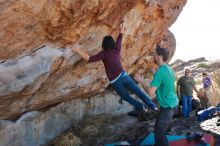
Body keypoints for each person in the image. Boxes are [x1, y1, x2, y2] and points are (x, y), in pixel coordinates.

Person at [72, 23, 157, 114]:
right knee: (137, 91)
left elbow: (90, 59)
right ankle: (153, 106)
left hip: (115, 81)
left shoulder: (103, 54)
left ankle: (141, 107)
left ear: (104, 45)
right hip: (124, 75)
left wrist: (77, 50)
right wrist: (122, 27)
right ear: (112, 43)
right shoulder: (116, 50)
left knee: (125, 96)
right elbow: (120, 38)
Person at [135, 46, 179, 146]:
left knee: (159, 134)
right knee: (158, 128)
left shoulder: (160, 72)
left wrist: (141, 81)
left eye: (155, 54)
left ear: (159, 56)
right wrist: (155, 74)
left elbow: (150, 93)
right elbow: (165, 79)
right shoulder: (168, 68)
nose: (154, 56)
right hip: (174, 103)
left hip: (168, 107)